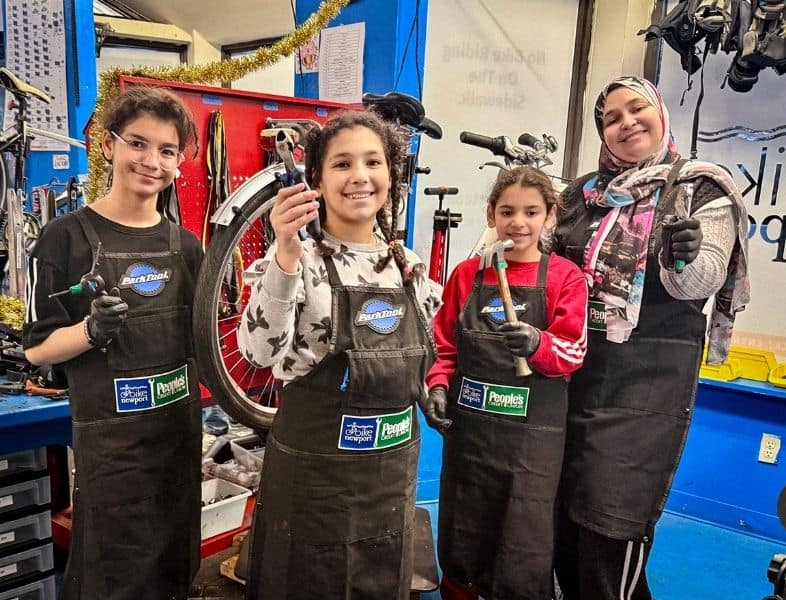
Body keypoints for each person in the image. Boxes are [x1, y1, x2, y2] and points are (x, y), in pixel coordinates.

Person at [552, 76, 750, 600]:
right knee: (560, 529)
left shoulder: (701, 187)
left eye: (636, 108)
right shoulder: (582, 194)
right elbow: (544, 265)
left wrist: (681, 257)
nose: (626, 123)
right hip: (572, 378)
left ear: (660, 111)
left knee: (609, 529)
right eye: (611, 118)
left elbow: (703, 279)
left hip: (645, 387)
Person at [236, 110, 442, 600]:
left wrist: (438, 386)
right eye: (342, 164)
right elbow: (258, 353)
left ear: (391, 176)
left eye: (373, 162)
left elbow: (431, 354)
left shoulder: (408, 267)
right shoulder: (296, 260)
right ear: (317, 180)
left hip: (389, 479)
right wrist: (285, 251)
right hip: (314, 482)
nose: (359, 176)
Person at [23, 86, 203, 600]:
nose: (152, 162)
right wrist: (89, 331)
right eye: (138, 144)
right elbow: (36, 351)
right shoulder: (65, 237)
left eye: (167, 151)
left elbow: (200, 345)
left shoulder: (185, 244)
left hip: (176, 439)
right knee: (112, 574)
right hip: (113, 450)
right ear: (109, 146)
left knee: (175, 567)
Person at [421, 166, 589, 599]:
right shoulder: (466, 275)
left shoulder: (564, 278)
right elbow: (444, 347)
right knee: (462, 532)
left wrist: (538, 343)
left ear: (550, 216)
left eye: (532, 212)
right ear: (491, 214)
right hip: (470, 438)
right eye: (508, 211)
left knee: (522, 541)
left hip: (530, 444)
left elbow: (573, 352)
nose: (519, 222)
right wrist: (437, 387)